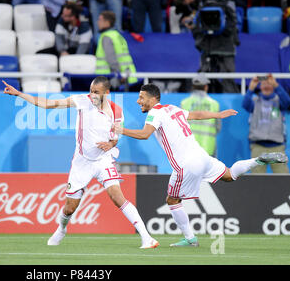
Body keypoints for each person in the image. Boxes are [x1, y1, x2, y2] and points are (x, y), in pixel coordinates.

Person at [114, 83, 288, 246]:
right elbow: (196, 115)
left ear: (153, 99)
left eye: (142, 97)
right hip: (202, 156)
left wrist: (120, 130)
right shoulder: (172, 109)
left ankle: (190, 239)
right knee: (229, 175)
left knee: (172, 200)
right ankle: (258, 160)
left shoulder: (155, 113)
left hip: (186, 164)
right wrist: (218, 115)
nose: (139, 101)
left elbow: (145, 134)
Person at [2, 76, 159, 249]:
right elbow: (47, 104)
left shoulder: (117, 111)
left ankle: (146, 237)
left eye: (96, 92)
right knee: (69, 208)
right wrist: (19, 94)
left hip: (103, 161)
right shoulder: (82, 101)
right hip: (82, 162)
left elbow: (115, 138)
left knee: (117, 197)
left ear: (107, 93)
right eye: (91, 91)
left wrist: (110, 144)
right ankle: (61, 229)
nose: (92, 95)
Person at [242, 74, 290, 173]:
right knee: (256, 179)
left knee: (283, 179)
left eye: (269, 84)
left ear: (273, 86)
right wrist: (251, 87)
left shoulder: (279, 101)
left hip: (277, 146)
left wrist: (276, 85)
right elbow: (245, 104)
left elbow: (287, 102)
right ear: (260, 86)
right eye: (263, 84)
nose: (266, 86)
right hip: (258, 146)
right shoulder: (255, 101)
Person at [95, 11, 138, 90]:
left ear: (107, 22)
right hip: (125, 74)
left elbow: (111, 59)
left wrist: (118, 74)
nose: (98, 22)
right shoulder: (118, 35)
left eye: (100, 20)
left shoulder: (106, 37)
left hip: (111, 77)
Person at [180, 73, 221, 157]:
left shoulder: (184, 103)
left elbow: (179, 127)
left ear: (193, 86)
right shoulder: (214, 104)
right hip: (208, 148)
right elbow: (218, 127)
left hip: (189, 149)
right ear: (206, 87)